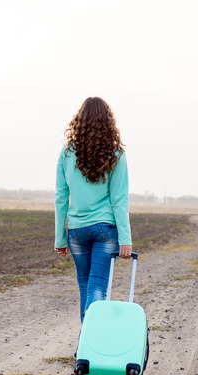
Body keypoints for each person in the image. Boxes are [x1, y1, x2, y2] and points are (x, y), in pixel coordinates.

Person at [54, 97, 132, 323]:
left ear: (80, 120)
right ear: (108, 122)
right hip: (105, 230)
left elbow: (61, 197)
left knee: (86, 287)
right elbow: (119, 199)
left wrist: (60, 238)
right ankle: (91, 340)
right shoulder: (116, 154)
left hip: (76, 231)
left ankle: (86, 347)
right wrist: (125, 239)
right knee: (97, 287)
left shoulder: (67, 153)